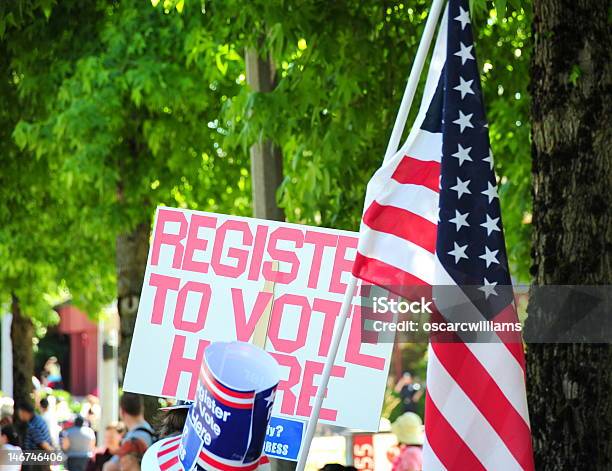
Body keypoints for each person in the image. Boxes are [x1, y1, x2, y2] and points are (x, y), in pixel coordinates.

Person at [102, 393, 155, 471]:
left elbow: (109, 468)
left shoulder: (133, 440)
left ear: (122, 411)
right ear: (142, 408)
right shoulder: (150, 431)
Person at [15, 402, 53, 471]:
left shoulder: (33, 425)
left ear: (25, 412)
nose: (19, 415)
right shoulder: (38, 419)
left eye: (20, 412)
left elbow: (44, 445)